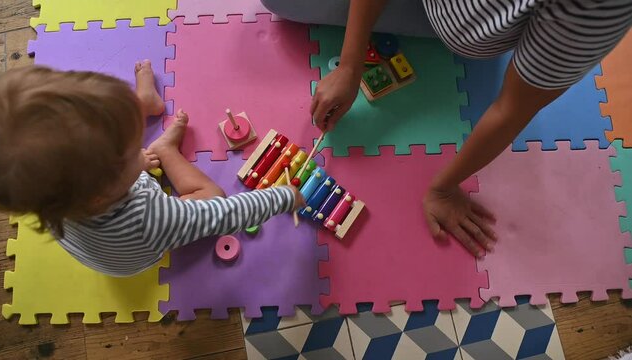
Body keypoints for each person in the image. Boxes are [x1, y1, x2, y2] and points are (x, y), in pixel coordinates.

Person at [264, 0, 632, 257]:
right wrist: (349, 64)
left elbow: (512, 108)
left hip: (462, 32)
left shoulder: (596, 9)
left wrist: (442, 187)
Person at [0, 62, 305, 277]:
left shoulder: (49, 197)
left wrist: (132, 160)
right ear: (105, 191)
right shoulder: (151, 219)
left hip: (97, 221)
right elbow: (226, 212)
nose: (139, 145)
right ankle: (166, 150)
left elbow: (98, 153)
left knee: (96, 140)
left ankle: (144, 102)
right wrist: (284, 197)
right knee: (214, 194)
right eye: (132, 152)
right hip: (138, 248)